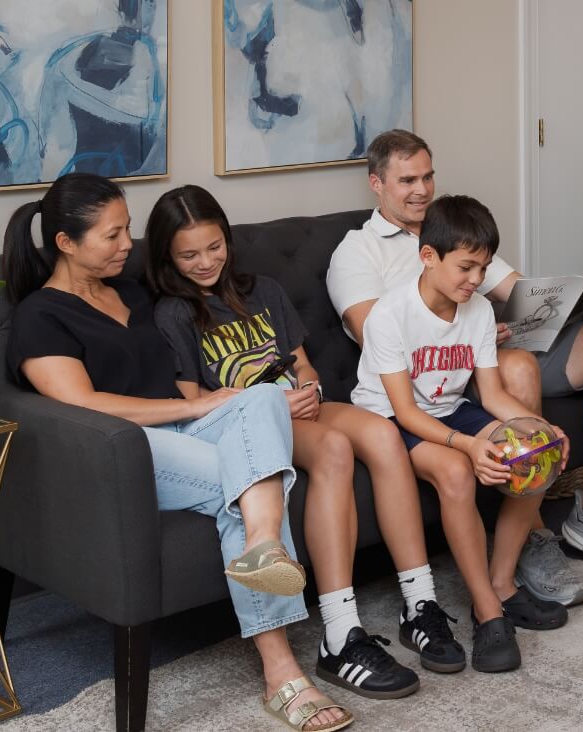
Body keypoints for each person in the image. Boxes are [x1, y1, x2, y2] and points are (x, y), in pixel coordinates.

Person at [3, 173, 350, 732]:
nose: (127, 246)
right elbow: (83, 404)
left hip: (188, 431)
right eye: (112, 236)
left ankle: (263, 545)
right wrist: (195, 407)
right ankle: (282, 671)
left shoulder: (132, 290)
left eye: (127, 231)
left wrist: (221, 400)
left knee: (262, 396)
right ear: (66, 243)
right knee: (241, 483)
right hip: (122, 452)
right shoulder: (40, 316)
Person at [327, 130, 583, 607]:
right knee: (521, 367)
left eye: (428, 176)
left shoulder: (456, 233)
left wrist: (579, 296)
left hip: (482, 347)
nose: (422, 189)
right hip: (425, 379)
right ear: (376, 184)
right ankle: (532, 536)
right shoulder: (358, 252)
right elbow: (377, 339)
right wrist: (465, 332)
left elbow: (518, 293)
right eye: (407, 180)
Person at [144, 185, 463, 694]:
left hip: (300, 405)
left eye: (214, 247)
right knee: (335, 448)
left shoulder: (263, 290)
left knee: (382, 435)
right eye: (189, 254)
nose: (205, 262)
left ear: (226, 239)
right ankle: (339, 630)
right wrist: (270, 404)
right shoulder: (175, 313)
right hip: (247, 427)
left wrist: (309, 389)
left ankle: (419, 602)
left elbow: (302, 363)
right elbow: (193, 401)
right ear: (166, 255)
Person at [353, 194, 570, 673]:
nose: (476, 281)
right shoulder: (390, 316)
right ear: (428, 257)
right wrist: (469, 445)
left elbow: (492, 396)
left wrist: (541, 429)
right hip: (391, 418)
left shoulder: (477, 312)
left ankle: (500, 583)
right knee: (455, 472)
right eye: (467, 268)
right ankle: (489, 614)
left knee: (538, 453)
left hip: (451, 408)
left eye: (483, 269)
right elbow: (406, 412)